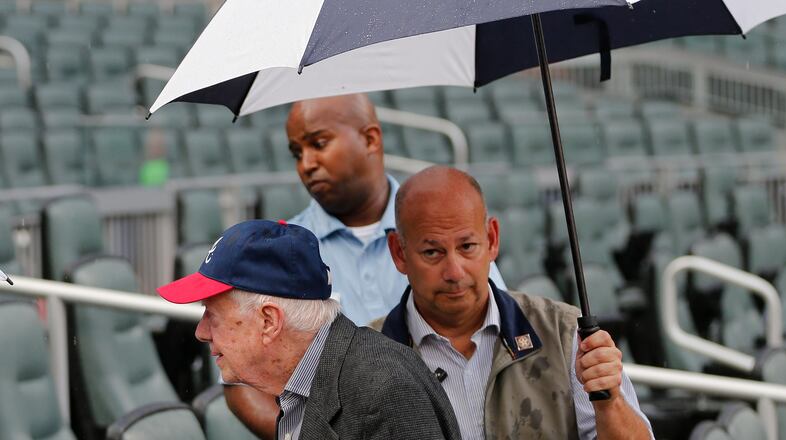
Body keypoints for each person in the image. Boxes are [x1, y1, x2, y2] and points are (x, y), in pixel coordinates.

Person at [228, 93, 507, 437]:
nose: (306, 164)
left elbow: (495, 337)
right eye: (297, 153)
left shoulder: (443, 226)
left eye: (319, 143)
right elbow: (240, 381)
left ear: (370, 139)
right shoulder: (284, 252)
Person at [377, 166, 654, 439]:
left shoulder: (563, 333)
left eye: (467, 247)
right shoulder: (365, 356)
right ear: (399, 253)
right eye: (432, 252)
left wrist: (610, 403)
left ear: (492, 239)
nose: (454, 272)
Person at [157, 219, 462, 440]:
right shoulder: (304, 382)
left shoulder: (382, 393)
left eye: (212, 314)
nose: (201, 331)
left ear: (269, 321)